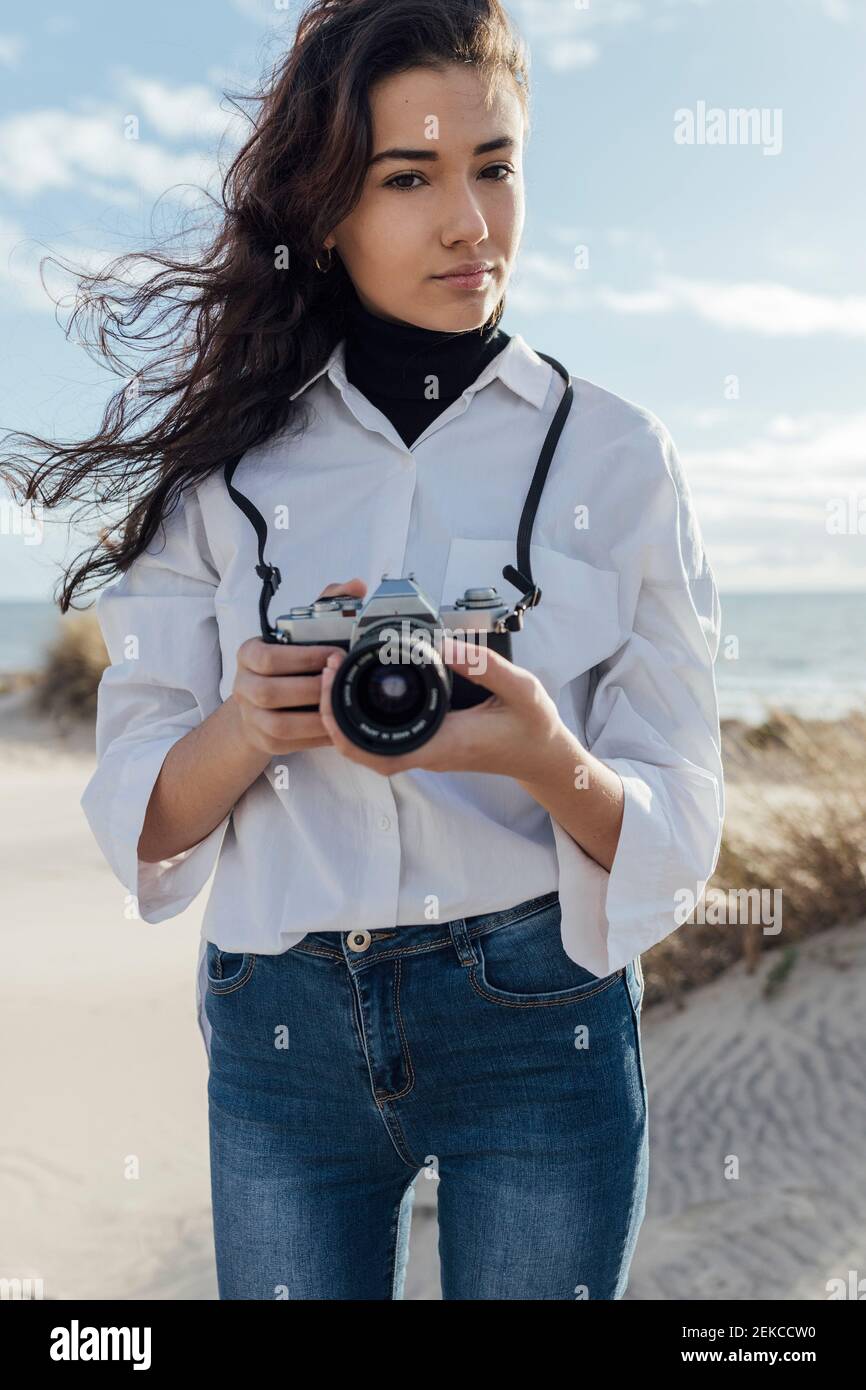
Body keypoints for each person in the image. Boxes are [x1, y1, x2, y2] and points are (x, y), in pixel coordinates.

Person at [2, 0, 724, 1300]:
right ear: (328, 208)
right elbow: (144, 824)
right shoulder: (222, 467)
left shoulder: (617, 458)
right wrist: (248, 725)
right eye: (410, 177)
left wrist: (549, 756)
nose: (469, 221)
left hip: (535, 1007)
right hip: (283, 1033)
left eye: (494, 166)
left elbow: (680, 820)